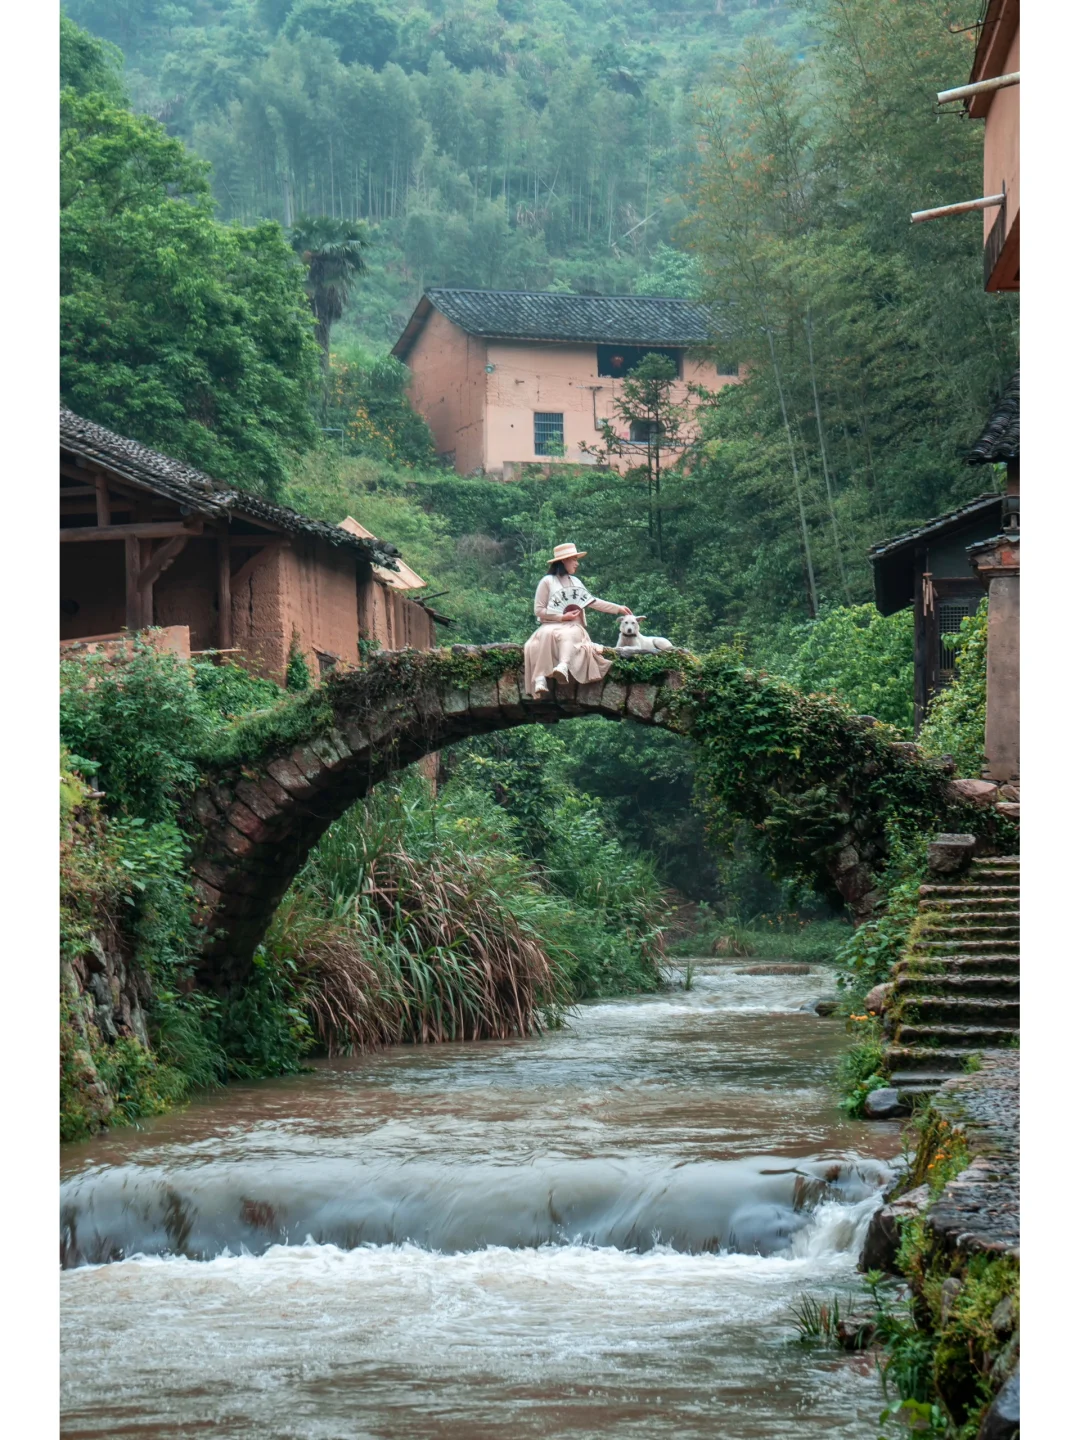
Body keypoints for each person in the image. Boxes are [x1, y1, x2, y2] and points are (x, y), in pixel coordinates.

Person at [523, 543, 632, 698]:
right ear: (564, 561)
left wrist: (617, 608)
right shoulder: (547, 581)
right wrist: (561, 617)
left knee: (569, 634)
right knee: (546, 633)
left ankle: (563, 666)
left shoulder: (576, 582)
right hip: (552, 623)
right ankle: (540, 677)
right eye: (573, 559)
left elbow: (592, 601)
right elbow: (539, 610)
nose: (577, 563)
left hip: (573, 625)